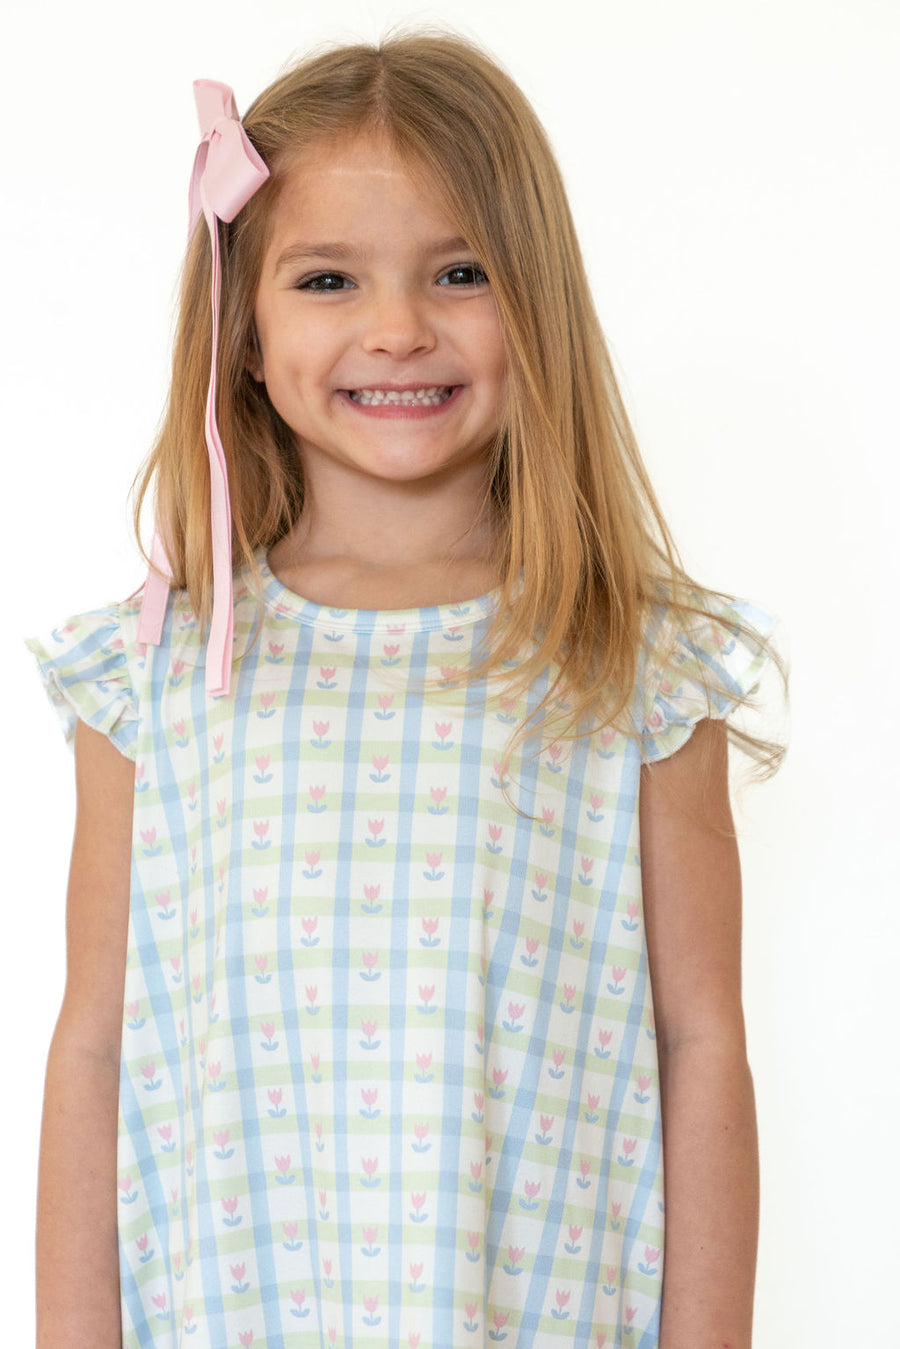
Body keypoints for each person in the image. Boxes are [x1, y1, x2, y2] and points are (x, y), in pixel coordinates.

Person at [26, 30, 784, 1349]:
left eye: (460, 272)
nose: (397, 329)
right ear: (243, 329)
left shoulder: (634, 663)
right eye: (328, 278)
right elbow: (95, 1046)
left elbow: (700, 1038)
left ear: (537, 304)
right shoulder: (152, 675)